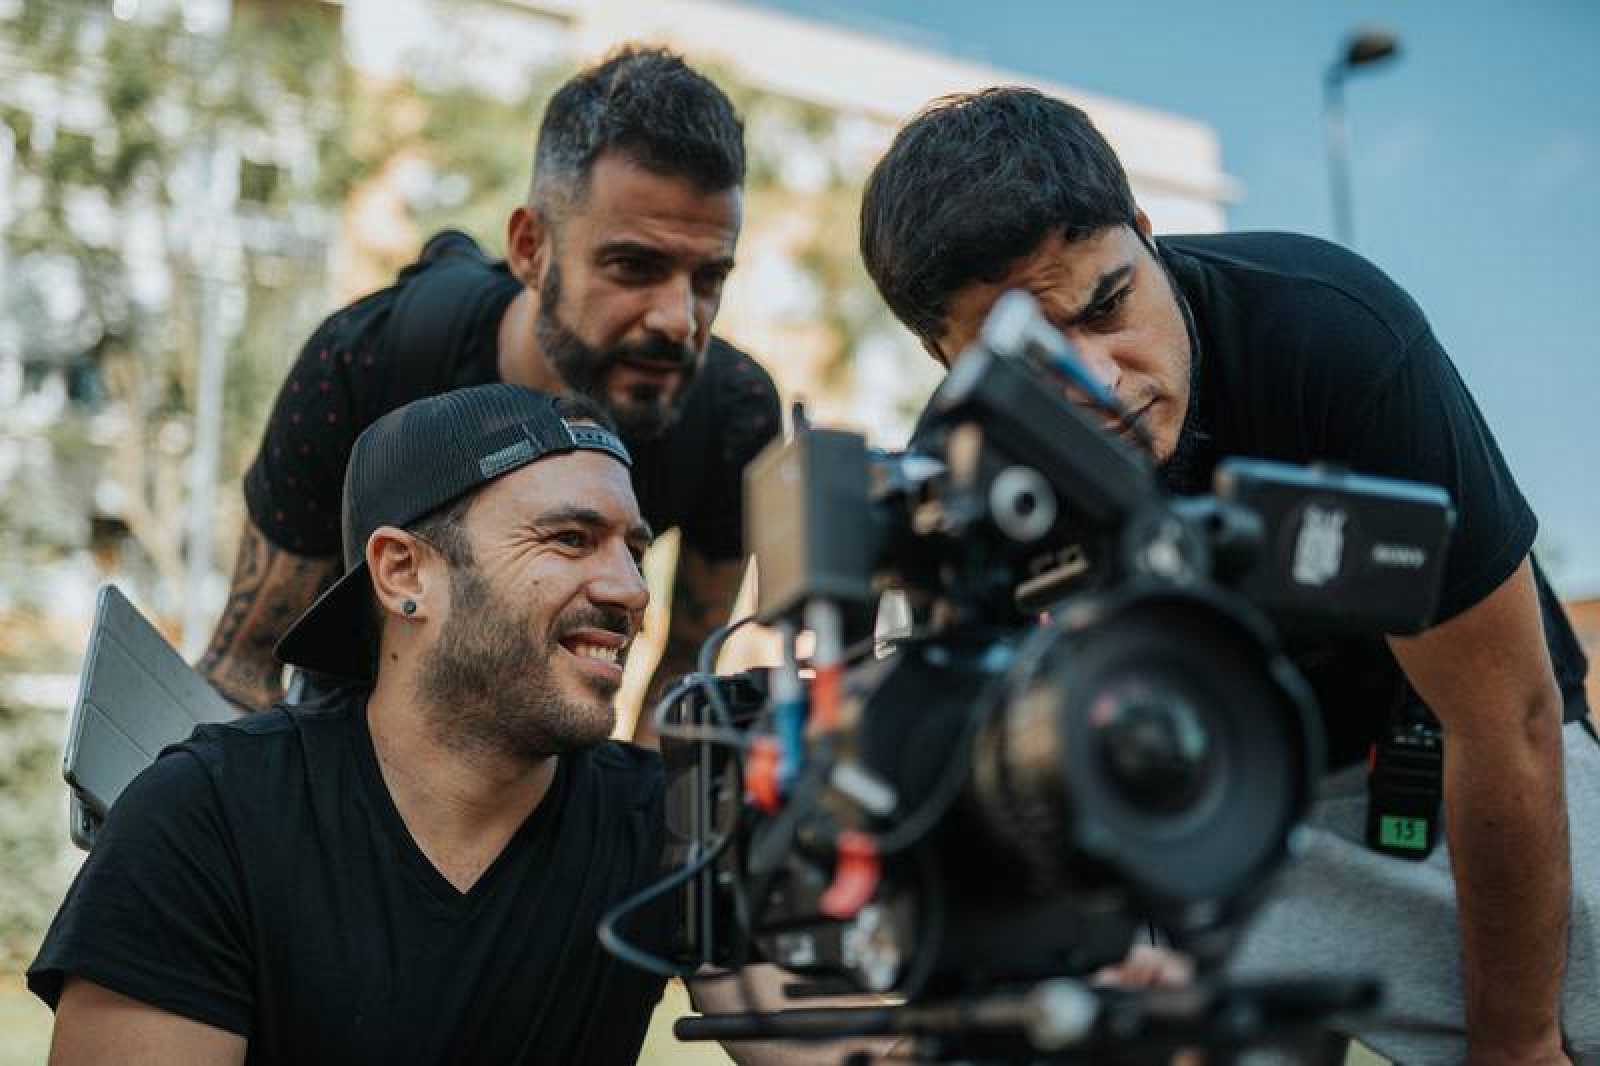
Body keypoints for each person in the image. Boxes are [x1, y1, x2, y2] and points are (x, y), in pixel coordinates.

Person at [858, 87, 1596, 1065]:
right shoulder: (951, 493)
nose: (1100, 382)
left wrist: (1518, 1044)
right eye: (1033, 355)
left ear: (1145, 231)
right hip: (1185, 790)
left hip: (1444, 751)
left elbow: (1507, 722)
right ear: (942, 356)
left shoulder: (1331, 334)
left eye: (1108, 305)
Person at [30, 385, 679, 1062]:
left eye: (634, 551)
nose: (632, 589)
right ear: (404, 571)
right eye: (571, 539)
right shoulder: (208, 818)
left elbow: (764, 1012)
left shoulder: (662, 821)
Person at [198, 47, 781, 736]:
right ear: (530, 249)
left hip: (555, 762)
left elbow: (680, 684)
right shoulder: (366, 361)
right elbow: (243, 670)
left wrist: (649, 806)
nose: (678, 321)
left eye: (709, 278)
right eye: (633, 266)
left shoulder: (732, 418)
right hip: (349, 740)